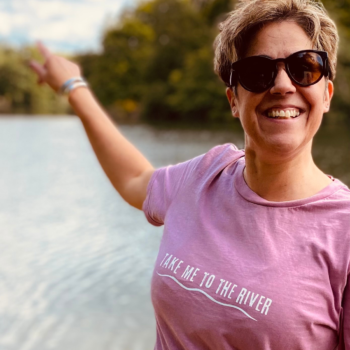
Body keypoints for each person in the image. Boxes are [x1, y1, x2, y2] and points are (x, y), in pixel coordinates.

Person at [28, 0, 350, 349]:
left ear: (327, 93)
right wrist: (74, 87)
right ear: (233, 99)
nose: (283, 85)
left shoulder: (343, 231)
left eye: (304, 68)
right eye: (259, 71)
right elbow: (136, 178)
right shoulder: (205, 176)